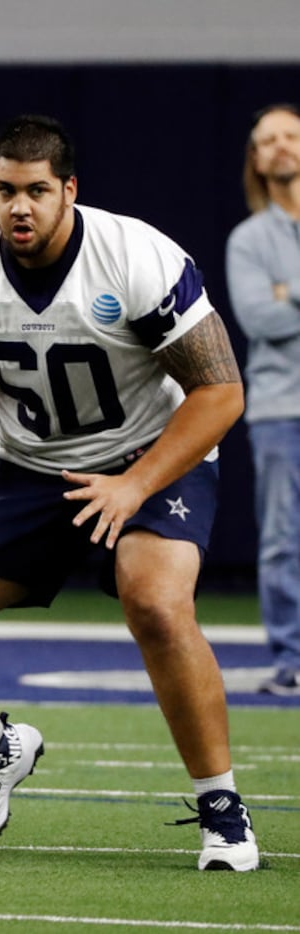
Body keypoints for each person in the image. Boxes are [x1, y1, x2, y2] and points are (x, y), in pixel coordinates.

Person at [0, 114, 259, 871]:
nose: (20, 207)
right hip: (31, 466)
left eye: (37, 191)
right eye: (6, 190)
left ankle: (224, 807)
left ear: (69, 192)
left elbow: (219, 394)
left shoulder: (135, 258)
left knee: (154, 603)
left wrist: (135, 484)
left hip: (152, 455)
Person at [224, 103, 300, 697]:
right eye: (267, 140)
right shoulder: (248, 239)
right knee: (282, 539)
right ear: (256, 157)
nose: (279, 147)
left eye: (290, 136)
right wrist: (279, 301)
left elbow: (283, 308)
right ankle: (293, 659)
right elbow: (260, 318)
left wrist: (289, 290)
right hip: (281, 408)